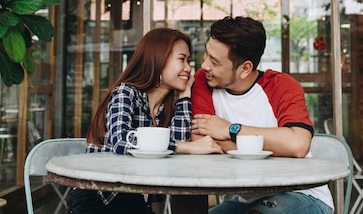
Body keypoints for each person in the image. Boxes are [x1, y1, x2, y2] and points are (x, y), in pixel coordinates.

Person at [67, 27, 223, 214]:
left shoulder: (166, 109)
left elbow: (178, 150)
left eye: (188, 61)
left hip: (131, 198)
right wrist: (190, 147)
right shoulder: (126, 92)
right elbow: (120, 141)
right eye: (182, 59)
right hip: (96, 196)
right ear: (158, 59)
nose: (188, 68)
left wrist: (184, 96)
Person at [191, 16, 334, 214]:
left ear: (245, 68)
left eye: (214, 62)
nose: (204, 65)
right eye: (206, 55)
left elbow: (297, 145)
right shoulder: (204, 80)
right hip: (248, 200)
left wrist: (229, 129)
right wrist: (275, 145)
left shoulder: (282, 86)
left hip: (302, 194)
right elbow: (201, 143)